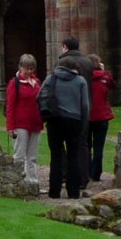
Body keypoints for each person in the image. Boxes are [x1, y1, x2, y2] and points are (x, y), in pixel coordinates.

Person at [39, 59, 90, 199]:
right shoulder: (80, 81)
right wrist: (83, 125)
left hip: (54, 120)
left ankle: (54, 192)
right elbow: (85, 105)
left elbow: (39, 97)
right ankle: (73, 192)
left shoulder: (51, 78)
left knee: (55, 156)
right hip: (74, 120)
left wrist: (45, 117)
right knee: (73, 156)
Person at [58, 36, 94, 187]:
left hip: (65, 109)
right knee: (83, 143)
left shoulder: (61, 62)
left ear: (65, 46)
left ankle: (66, 174)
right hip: (85, 106)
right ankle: (83, 178)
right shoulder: (88, 62)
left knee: (63, 143)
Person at [4, 54, 43, 185]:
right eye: (26, 68)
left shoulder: (37, 82)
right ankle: (17, 182)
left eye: (31, 68)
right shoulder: (14, 83)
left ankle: (32, 182)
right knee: (19, 155)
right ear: (20, 67)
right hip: (20, 124)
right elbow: (10, 106)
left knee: (32, 157)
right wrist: (10, 126)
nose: (29, 71)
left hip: (36, 123)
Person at [87, 53, 116, 183]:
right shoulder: (104, 78)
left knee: (86, 146)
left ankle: (87, 172)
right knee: (99, 147)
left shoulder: (84, 78)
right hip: (102, 118)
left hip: (87, 117)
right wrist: (104, 72)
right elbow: (112, 86)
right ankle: (96, 174)